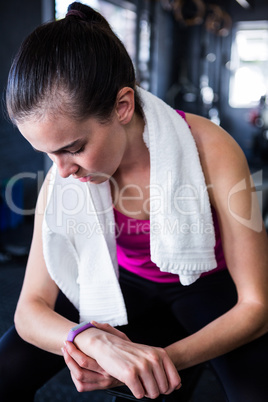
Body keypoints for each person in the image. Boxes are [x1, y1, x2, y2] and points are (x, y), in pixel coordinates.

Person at [0, 2, 268, 401]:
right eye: (49, 153)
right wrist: (91, 340)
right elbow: (29, 310)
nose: (62, 171)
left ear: (122, 107)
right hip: (122, 281)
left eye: (74, 148)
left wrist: (161, 359)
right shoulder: (63, 175)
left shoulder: (213, 149)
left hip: (202, 285)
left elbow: (257, 307)